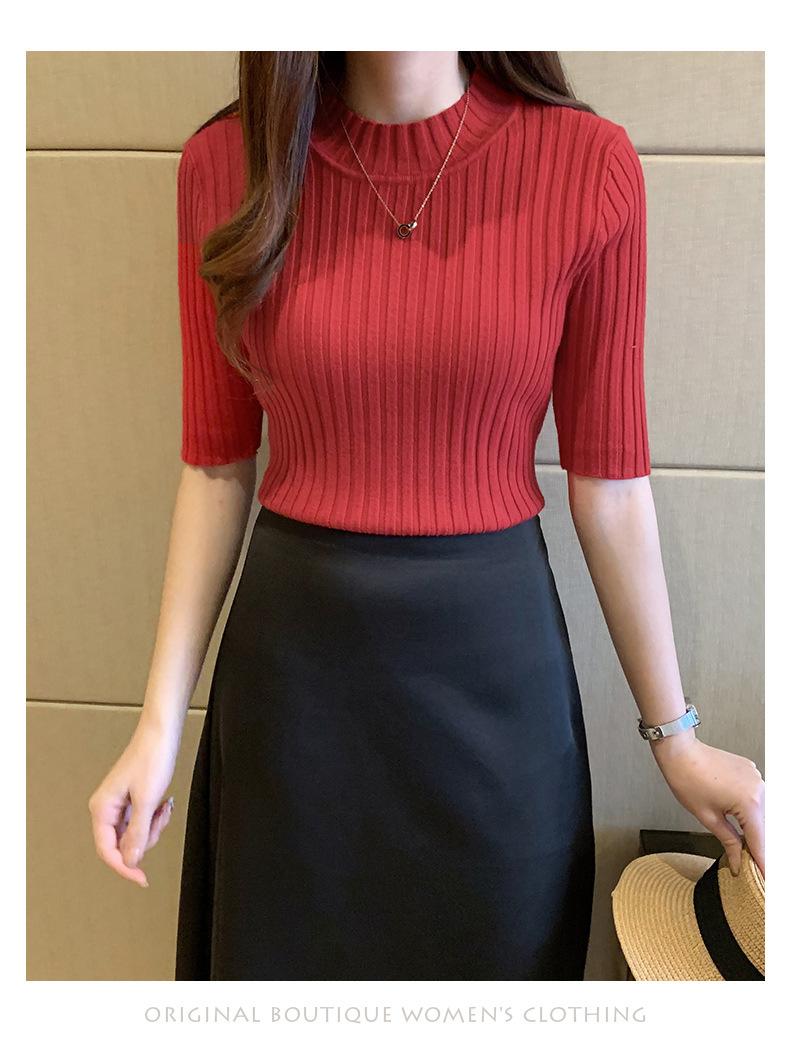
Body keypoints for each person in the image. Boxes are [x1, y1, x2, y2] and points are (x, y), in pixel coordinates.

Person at [87, 50, 765, 980]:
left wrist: (676, 739)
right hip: (294, 702)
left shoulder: (588, 165)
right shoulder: (228, 165)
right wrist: (158, 725)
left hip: (497, 696)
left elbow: (610, 486)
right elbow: (215, 469)